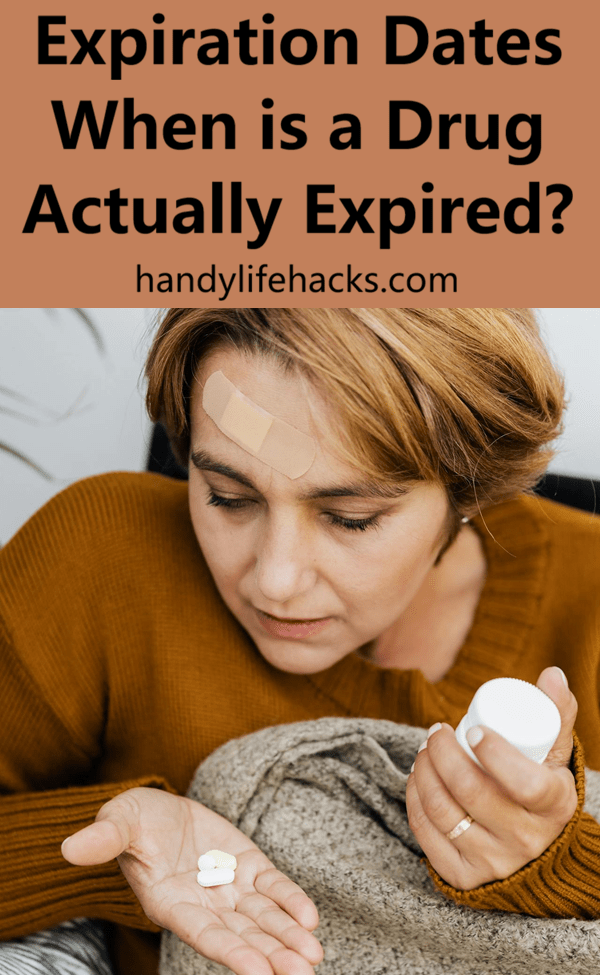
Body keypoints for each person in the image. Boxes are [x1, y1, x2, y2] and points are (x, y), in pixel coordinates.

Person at [0, 307, 599, 975]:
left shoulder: (589, 602)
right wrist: (109, 849)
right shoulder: (103, 561)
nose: (275, 580)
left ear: (468, 488)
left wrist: (559, 870)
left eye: (349, 518)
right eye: (228, 495)